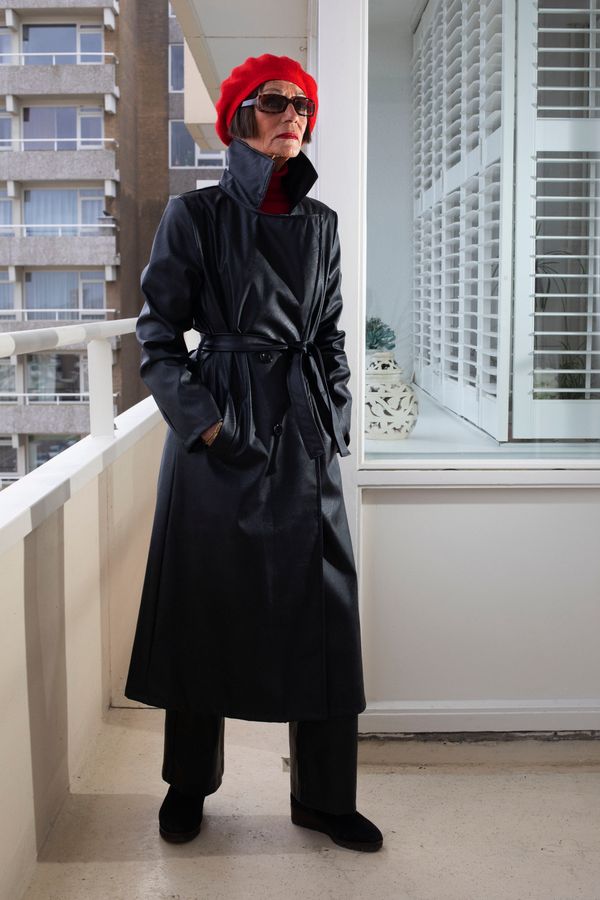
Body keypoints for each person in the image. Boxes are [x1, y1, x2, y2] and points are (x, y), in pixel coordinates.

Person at [124, 53, 383, 853]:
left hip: (303, 431)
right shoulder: (193, 215)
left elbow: (330, 335)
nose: (292, 116)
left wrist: (334, 415)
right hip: (219, 431)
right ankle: (187, 787)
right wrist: (206, 425)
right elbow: (157, 336)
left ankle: (324, 798)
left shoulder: (322, 223)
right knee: (203, 606)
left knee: (325, 612)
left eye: (303, 105)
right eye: (275, 102)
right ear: (240, 118)